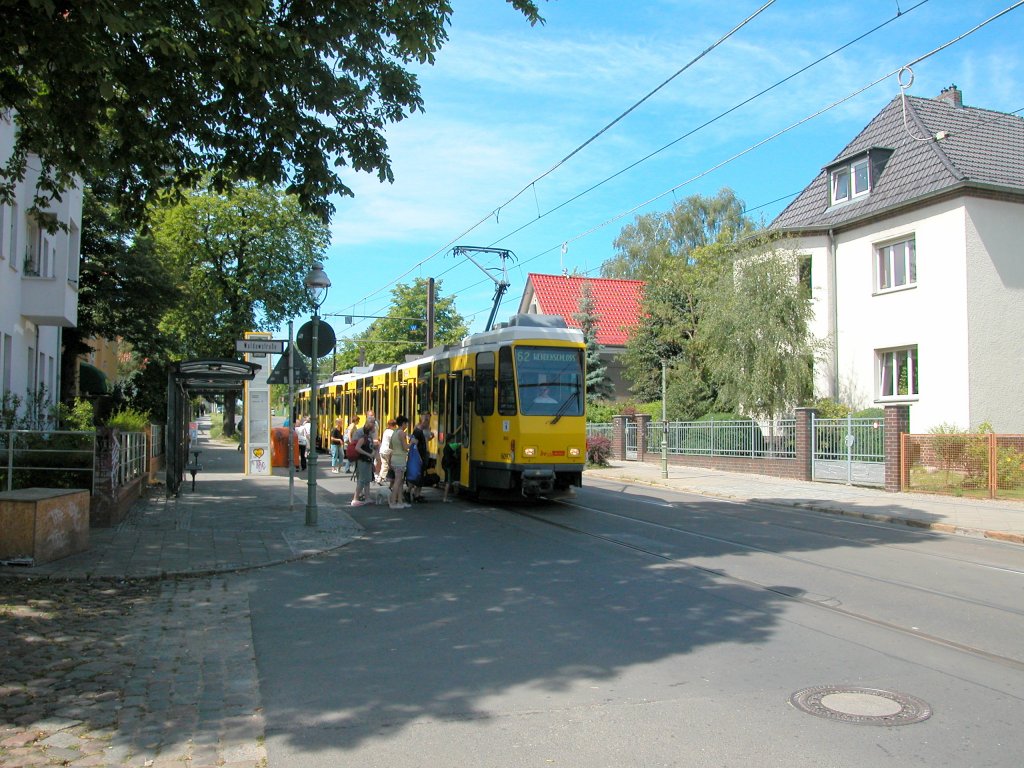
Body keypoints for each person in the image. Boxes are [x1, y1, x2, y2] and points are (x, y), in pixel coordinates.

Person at [350, 417, 377, 506]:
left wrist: (372, 455)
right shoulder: (363, 437)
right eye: (372, 423)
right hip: (363, 460)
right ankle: (355, 499)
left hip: (368, 460)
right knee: (362, 480)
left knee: (367, 480)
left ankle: (367, 497)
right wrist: (368, 454)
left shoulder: (369, 437)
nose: (374, 425)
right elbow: (357, 448)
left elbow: (371, 448)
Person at [408, 412, 433, 502]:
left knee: (421, 474)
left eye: (428, 419)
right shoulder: (417, 429)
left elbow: (424, 440)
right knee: (418, 474)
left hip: (425, 451)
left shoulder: (427, 428)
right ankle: (409, 491)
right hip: (420, 455)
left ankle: (416, 494)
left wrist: (431, 438)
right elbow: (414, 443)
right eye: (426, 419)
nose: (428, 421)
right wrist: (417, 456)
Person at [388, 416, 411, 509]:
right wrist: (412, 442)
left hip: (394, 458)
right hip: (400, 459)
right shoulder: (402, 433)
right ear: (403, 424)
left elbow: (391, 446)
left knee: (400, 481)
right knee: (398, 481)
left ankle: (400, 501)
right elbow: (405, 447)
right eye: (406, 423)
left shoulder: (394, 432)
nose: (407, 425)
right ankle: (393, 502)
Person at [441, 430, 462, 503]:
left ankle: (445, 497)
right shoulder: (451, 446)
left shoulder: (446, 447)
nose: (454, 440)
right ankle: (445, 498)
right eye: (453, 439)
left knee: (448, 481)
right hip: (449, 466)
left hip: (446, 465)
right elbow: (460, 444)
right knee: (448, 482)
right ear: (450, 440)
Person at [377, 418, 397, 485]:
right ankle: (381, 479)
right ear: (393, 426)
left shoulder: (386, 431)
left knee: (384, 465)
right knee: (386, 466)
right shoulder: (391, 432)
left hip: (382, 450)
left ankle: (381, 478)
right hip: (387, 451)